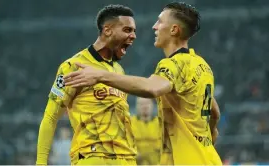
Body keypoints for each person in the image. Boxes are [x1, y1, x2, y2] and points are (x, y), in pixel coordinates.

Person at [64, 1, 222, 165]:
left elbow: (151, 88)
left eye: (160, 21)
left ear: (174, 30)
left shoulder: (172, 64)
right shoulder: (201, 65)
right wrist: (207, 137)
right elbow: (214, 112)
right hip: (208, 158)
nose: (154, 26)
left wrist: (101, 76)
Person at [36, 4, 137, 165]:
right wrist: (41, 162)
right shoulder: (73, 66)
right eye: (127, 30)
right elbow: (50, 116)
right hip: (92, 157)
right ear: (107, 30)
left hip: (126, 159)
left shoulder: (119, 71)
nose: (133, 36)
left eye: (134, 31)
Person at [131, 97, 161, 165]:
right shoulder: (129, 123)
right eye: (141, 104)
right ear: (136, 106)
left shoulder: (161, 124)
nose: (145, 107)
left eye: (147, 103)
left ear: (153, 105)